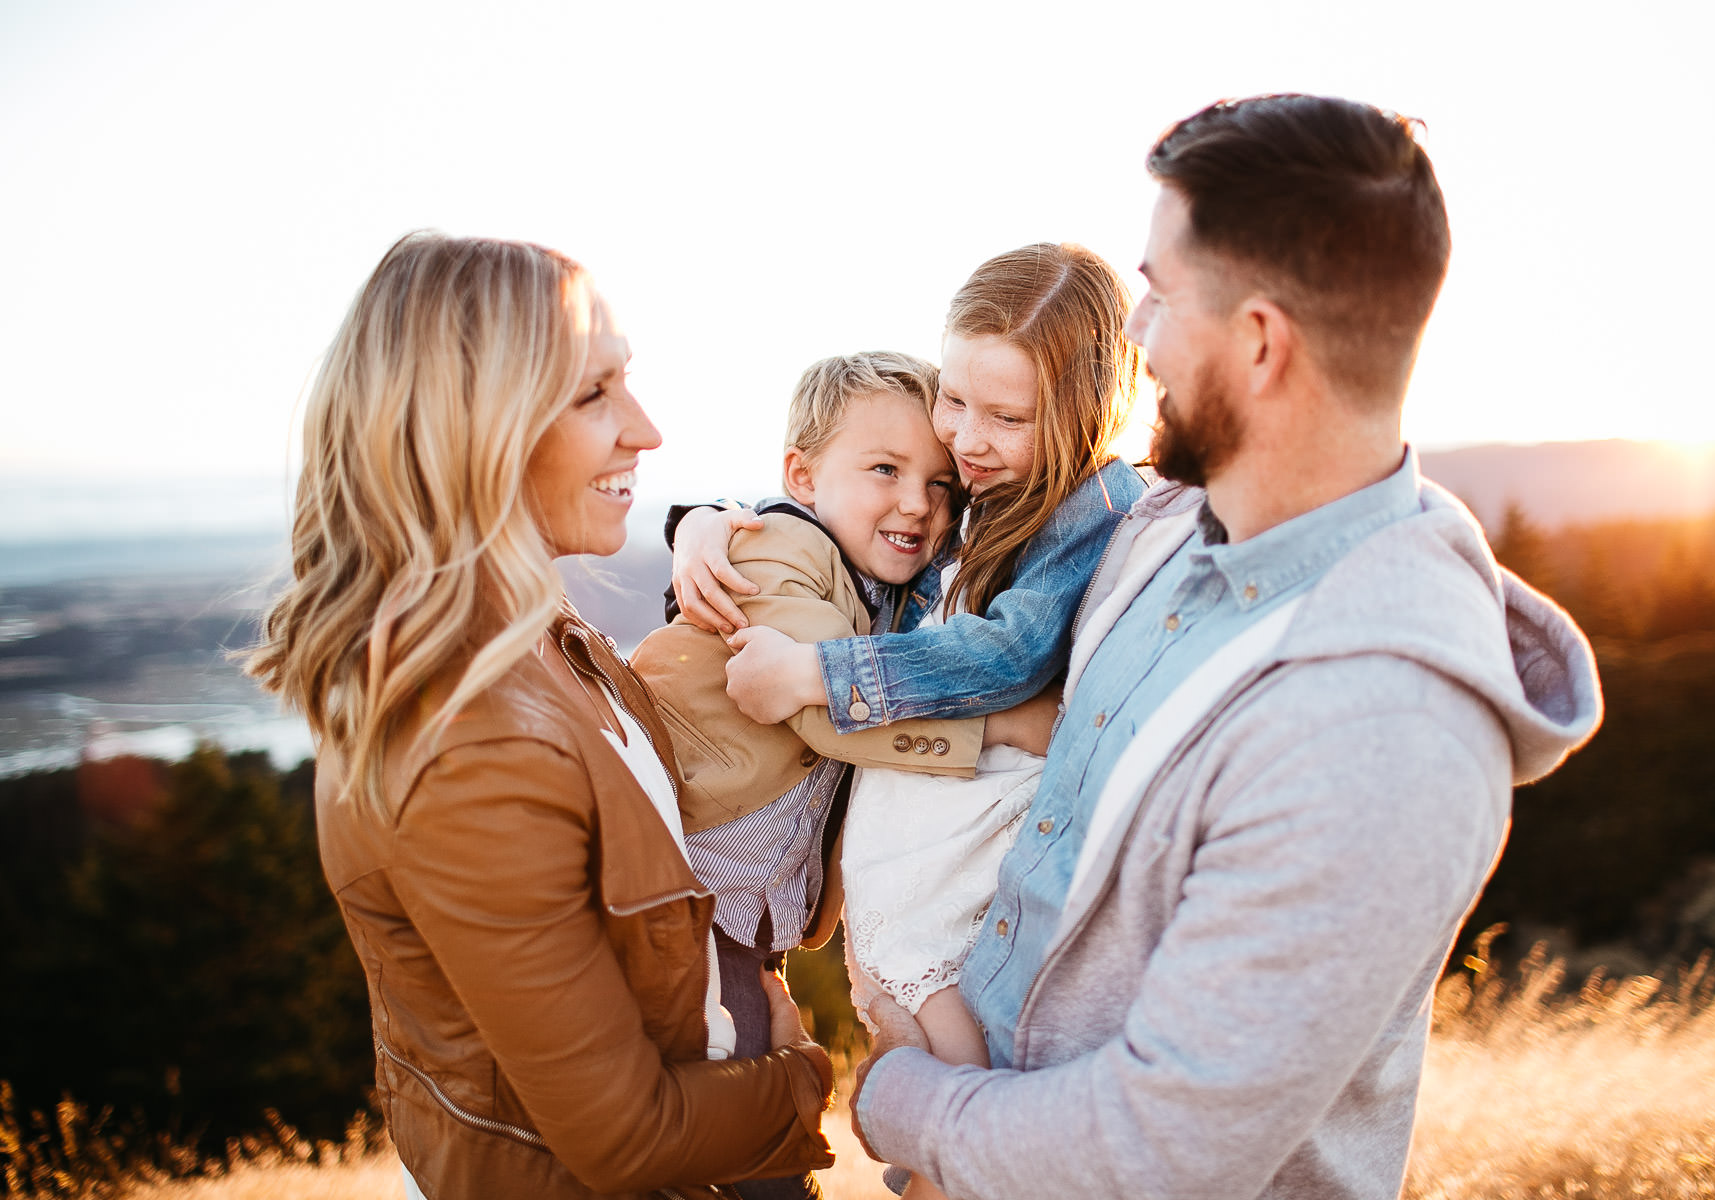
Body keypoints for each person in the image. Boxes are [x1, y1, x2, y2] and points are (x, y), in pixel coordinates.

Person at [845, 95, 1605, 1200]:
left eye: (1157, 293)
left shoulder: (1383, 731)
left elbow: (1162, 1151)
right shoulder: (1156, 536)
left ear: (1258, 342)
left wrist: (901, 1102)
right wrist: (730, 537)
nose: (1136, 338)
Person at [246, 232, 834, 1200]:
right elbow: (627, 1140)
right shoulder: (463, 743)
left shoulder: (557, 646)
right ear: (478, 428)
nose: (644, 429)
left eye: (626, 382)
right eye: (593, 394)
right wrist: (803, 1083)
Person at [669, 246, 1146, 1188]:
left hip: (872, 878)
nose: (962, 448)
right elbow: (840, 597)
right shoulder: (913, 510)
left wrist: (813, 665)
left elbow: (1001, 649)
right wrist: (703, 521)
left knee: (892, 1055)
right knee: (826, 1059)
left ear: (1086, 412)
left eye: (1003, 418)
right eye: (956, 403)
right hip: (756, 880)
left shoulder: (1062, 506)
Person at [631, 351, 1050, 1199]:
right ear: (802, 475)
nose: (916, 503)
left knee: (757, 1098)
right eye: (885, 470)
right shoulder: (784, 551)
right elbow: (828, 703)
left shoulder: (872, 581)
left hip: (734, 913)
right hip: (686, 898)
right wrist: (1004, 725)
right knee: (747, 1117)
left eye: (941, 486)